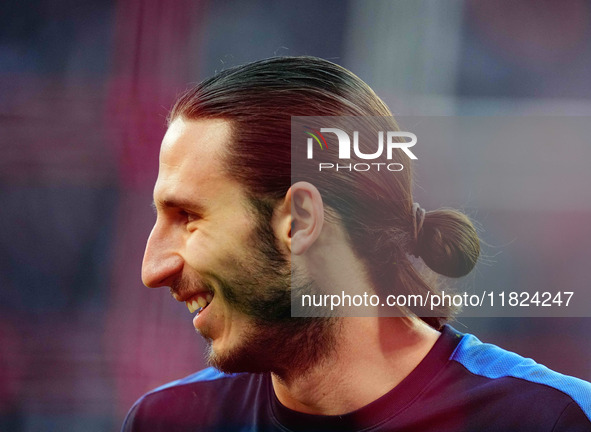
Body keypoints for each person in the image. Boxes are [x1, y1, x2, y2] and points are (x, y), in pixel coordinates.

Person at [122, 56, 591, 431]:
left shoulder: (550, 418)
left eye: (187, 217)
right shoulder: (165, 421)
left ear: (301, 221)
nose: (152, 268)